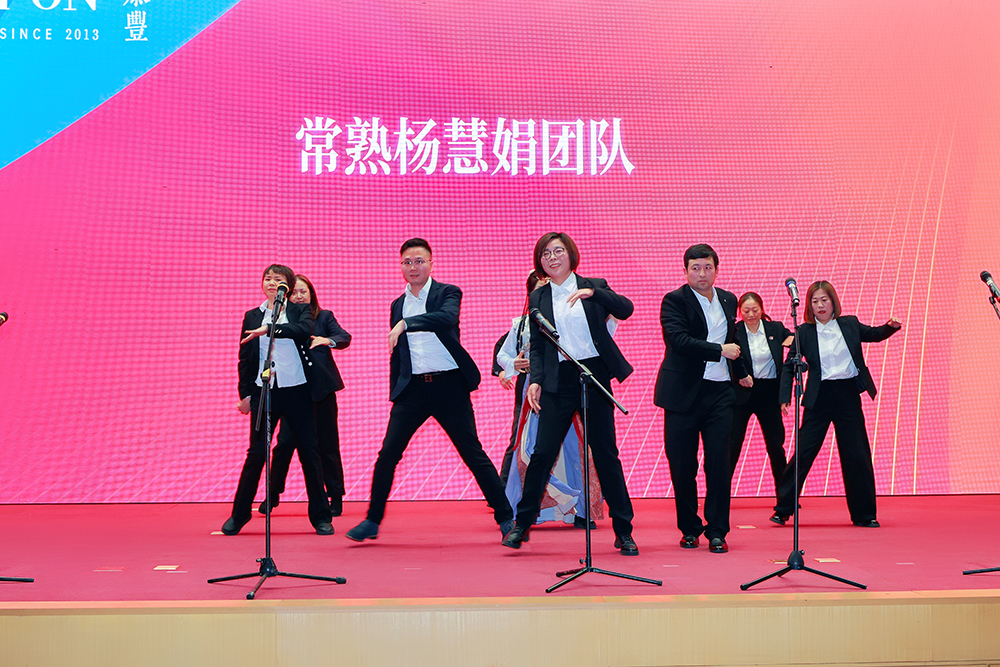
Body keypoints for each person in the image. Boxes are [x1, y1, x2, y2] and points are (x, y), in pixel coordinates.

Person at [346, 239, 514, 542]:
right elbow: (399, 353)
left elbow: (446, 318)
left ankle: (506, 518)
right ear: (401, 266)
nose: (413, 267)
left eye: (419, 261)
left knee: (472, 452)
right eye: (407, 262)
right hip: (412, 390)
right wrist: (397, 388)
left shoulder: (447, 292)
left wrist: (405, 324)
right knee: (387, 454)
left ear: (431, 264)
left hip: (449, 386)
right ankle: (371, 521)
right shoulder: (397, 304)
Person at [501, 232, 637, 556]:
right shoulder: (539, 296)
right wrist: (535, 380)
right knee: (542, 452)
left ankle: (624, 530)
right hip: (557, 380)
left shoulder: (594, 285)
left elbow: (627, 309)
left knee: (605, 454)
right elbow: (538, 345)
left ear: (570, 254)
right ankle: (522, 523)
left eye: (558, 251)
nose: (552, 258)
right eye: (546, 253)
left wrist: (596, 294)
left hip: (593, 373)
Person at [771, 281, 901, 527]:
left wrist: (890, 327)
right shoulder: (803, 332)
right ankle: (783, 508)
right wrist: (784, 397)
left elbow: (873, 334)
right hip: (819, 397)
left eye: (824, 300)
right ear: (808, 305)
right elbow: (790, 366)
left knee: (857, 454)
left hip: (847, 395)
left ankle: (865, 514)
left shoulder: (849, 324)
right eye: (815, 301)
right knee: (804, 452)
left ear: (833, 302)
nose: (820, 305)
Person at [222, 265, 334, 536]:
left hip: (297, 391)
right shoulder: (252, 315)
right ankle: (239, 514)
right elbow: (245, 359)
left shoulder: (299, 310)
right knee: (257, 453)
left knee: (309, 451)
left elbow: (302, 330)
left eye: (278, 280)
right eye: (268, 279)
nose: (272, 283)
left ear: (289, 286)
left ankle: (320, 516)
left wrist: (268, 329)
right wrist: (246, 394)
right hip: (265, 391)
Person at [654, 244, 748, 554]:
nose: (702, 274)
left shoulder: (728, 299)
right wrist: (719, 350)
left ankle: (718, 530)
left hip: (720, 392)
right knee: (683, 465)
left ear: (716, 270)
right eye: (695, 268)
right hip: (682, 394)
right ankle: (690, 529)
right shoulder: (674, 300)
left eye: (708, 267)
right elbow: (678, 340)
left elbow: (733, 340)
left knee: (719, 464)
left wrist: (742, 372)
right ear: (685, 271)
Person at [498, 271, 603, 528]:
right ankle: (530, 509)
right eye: (539, 289)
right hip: (535, 393)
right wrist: (512, 365)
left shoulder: (571, 316)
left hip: (566, 388)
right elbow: (502, 355)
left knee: (575, 450)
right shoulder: (521, 324)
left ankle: (581, 510)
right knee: (530, 450)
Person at [261, 275, 352, 517]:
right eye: (295, 293)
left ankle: (335, 496)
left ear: (312, 294)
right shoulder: (285, 320)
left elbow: (344, 337)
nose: (300, 296)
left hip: (321, 391)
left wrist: (327, 340)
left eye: (304, 291)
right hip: (294, 393)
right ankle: (272, 494)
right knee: (284, 445)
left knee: (327, 444)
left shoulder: (324, 316)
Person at [729, 292, 793, 496]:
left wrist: (791, 341)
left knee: (775, 445)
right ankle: (720, 494)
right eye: (746, 311)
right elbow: (729, 358)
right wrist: (740, 375)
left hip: (769, 392)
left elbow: (794, 338)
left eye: (755, 310)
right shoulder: (734, 330)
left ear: (762, 309)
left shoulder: (775, 328)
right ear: (740, 312)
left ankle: (785, 495)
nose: (750, 314)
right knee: (732, 444)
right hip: (742, 391)